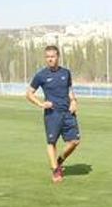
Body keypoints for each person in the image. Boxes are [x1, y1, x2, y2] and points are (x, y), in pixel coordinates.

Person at [26, 45, 80, 183]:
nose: (50, 59)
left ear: (58, 57)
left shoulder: (66, 73)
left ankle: (59, 160)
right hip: (52, 114)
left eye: (53, 56)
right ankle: (55, 170)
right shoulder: (41, 75)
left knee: (74, 141)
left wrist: (74, 101)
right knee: (52, 142)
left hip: (68, 113)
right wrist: (41, 104)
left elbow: (69, 90)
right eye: (47, 57)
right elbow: (29, 93)